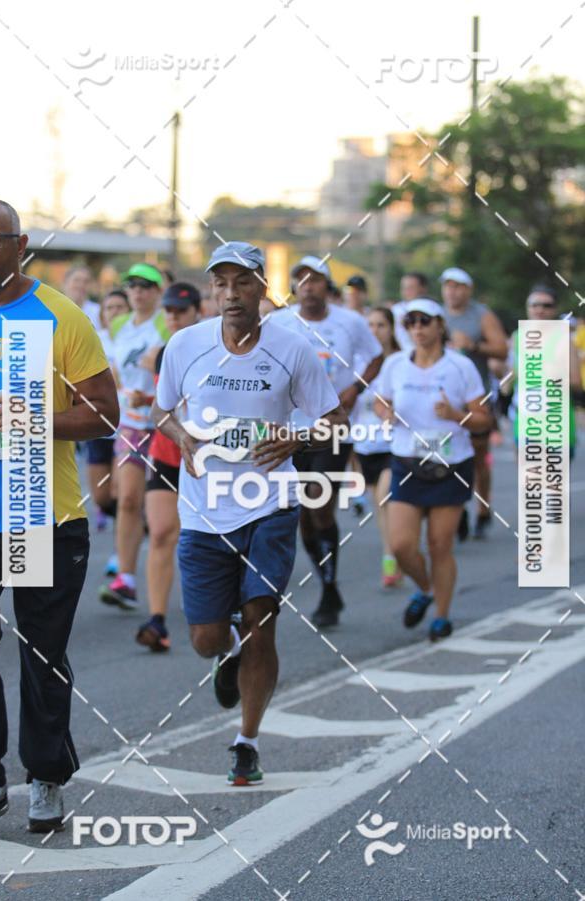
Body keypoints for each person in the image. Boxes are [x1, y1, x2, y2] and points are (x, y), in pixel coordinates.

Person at [153, 241, 346, 785]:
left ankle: (247, 740)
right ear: (212, 290)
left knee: (262, 619)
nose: (231, 294)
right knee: (206, 639)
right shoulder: (185, 345)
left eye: (242, 282)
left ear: (263, 287)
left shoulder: (293, 349)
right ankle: (225, 653)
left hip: (271, 503)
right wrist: (182, 436)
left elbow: (334, 420)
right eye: (221, 283)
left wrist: (296, 439)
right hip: (204, 512)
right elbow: (159, 410)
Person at [0, 199, 118, 834]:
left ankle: (44, 776)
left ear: (21, 243)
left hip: (34, 510)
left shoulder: (58, 315)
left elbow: (104, 414)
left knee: (40, 649)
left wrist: (35, 420)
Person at [375, 298, 492, 641]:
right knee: (400, 546)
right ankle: (425, 589)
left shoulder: (460, 367)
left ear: (440, 325)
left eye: (425, 322)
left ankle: (441, 615)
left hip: (450, 464)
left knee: (440, 545)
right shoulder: (395, 364)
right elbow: (381, 400)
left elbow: (483, 419)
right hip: (407, 463)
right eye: (411, 323)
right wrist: (386, 414)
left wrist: (456, 415)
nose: (418, 329)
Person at [277, 256, 383, 627]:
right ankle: (328, 585)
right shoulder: (279, 321)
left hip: (333, 428)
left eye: (316, 279)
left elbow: (376, 355)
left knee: (319, 506)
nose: (308, 285)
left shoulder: (350, 322)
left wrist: (355, 387)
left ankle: (328, 583)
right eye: (300, 279)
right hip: (289, 429)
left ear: (327, 286)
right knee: (304, 513)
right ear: (294, 286)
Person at [98, 262, 169, 610]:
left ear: (158, 290)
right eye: (132, 285)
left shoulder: (166, 322)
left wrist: (153, 385)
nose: (138, 291)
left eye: (145, 285)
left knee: (165, 512)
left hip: (165, 426)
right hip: (130, 423)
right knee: (126, 499)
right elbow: (113, 368)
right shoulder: (119, 324)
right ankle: (125, 577)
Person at [136, 283, 201, 652]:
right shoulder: (161, 353)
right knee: (161, 533)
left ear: (197, 311)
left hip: (209, 460)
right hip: (166, 452)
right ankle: (157, 621)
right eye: (169, 311)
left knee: (211, 542)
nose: (174, 317)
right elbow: (165, 402)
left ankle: (229, 612)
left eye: (181, 310)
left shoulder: (213, 347)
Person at [439, 267, 507, 540]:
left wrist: (474, 346)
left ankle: (482, 508)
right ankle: (457, 506)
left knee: (478, 457)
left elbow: (502, 348)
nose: (453, 291)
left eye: (458, 286)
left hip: (476, 396)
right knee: (446, 456)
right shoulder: (435, 316)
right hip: (444, 397)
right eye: (448, 286)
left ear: (469, 289)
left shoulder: (481, 315)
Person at [353, 307, 402, 587]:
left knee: (386, 497)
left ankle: (392, 555)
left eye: (381, 325)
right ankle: (394, 551)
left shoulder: (400, 360)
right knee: (381, 506)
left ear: (392, 328)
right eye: (369, 325)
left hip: (395, 444)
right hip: (365, 444)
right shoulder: (358, 362)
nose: (374, 330)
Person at [505, 286, 581, 459]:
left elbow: (577, 383)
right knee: (528, 485)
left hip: (555, 425)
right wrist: (506, 377)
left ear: (555, 309)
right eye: (535, 304)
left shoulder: (564, 339)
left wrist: (549, 376)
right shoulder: (517, 337)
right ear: (527, 307)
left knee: (553, 485)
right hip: (526, 423)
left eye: (547, 305)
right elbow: (507, 384)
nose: (540, 309)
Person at [86, 288, 131, 546]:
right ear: (102, 314)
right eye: (109, 308)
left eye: (119, 307)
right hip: (98, 425)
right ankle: (137, 521)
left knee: (121, 493)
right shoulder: (95, 338)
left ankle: (122, 547)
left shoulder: (134, 338)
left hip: (127, 426)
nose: (114, 312)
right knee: (102, 496)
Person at [392, 272, 429, 351]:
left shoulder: (433, 311)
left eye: (411, 288)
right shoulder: (395, 311)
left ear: (423, 289)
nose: (406, 292)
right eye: (404, 288)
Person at [62, 264, 101, 330]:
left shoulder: (98, 311)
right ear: (65, 283)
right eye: (76, 280)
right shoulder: (50, 310)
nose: (81, 285)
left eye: (86, 281)